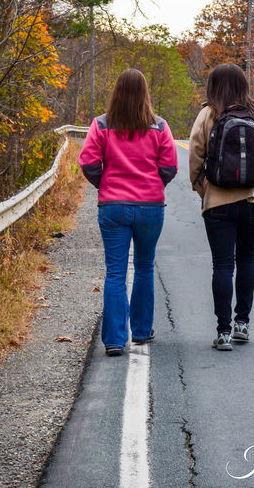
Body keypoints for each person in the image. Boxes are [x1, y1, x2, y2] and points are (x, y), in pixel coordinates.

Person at [79, 68, 178, 356]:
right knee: (145, 266)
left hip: (113, 206)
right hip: (150, 207)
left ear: (117, 92)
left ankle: (114, 339)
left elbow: (88, 163)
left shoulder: (101, 124)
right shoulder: (159, 126)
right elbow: (170, 166)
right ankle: (142, 331)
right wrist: (154, 184)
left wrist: (105, 183)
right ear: (145, 93)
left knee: (116, 272)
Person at [189, 63, 254, 351]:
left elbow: (195, 157)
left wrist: (205, 190)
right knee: (248, 259)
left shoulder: (208, 113)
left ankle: (223, 331)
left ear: (213, 86)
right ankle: (243, 324)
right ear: (243, 84)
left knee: (223, 265)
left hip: (218, 201)